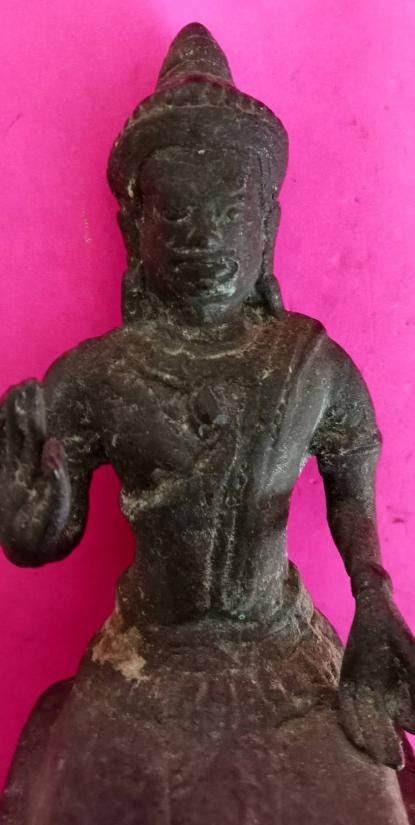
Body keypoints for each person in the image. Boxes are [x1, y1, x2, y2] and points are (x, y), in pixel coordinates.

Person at [1, 23, 414, 825]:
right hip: (144, 658)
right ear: (133, 230)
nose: (204, 239)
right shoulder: (97, 374)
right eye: (176, 215)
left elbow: (349, 485)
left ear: (267, 228)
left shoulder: (309, 363)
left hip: (283, 655)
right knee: (86, 801)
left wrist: (374, 595)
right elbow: (43, 532)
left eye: (228, 212)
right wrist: (32, 520)